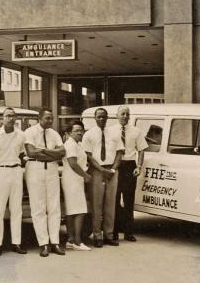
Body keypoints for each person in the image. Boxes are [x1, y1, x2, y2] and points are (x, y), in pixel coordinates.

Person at [24, 109, 66, 257]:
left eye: (51, 119)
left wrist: (43, 150)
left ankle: (55, 242)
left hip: (52, 170)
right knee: (38, 207)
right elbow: (31, 153)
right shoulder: (30, 132)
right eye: (47, 118)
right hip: (35, 169)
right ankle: (44, 243)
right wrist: (52, 153)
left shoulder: (54, 134)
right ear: (39, 118)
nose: (50, 121)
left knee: (54, 206)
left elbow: (62, 152)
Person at [82, 108, 124, 248]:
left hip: (112, 170)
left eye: (104, 117)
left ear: (108, 118)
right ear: (95, 118)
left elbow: (120, 152)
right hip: (97, 171)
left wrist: (112, 169)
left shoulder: (115, 133)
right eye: (99, 117)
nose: (102, 119)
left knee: (110, 204)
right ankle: (97, 235)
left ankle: (109, 235)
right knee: (97, 204)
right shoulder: (88, 134)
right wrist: (101, 169)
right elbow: (88, 154)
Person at [0, 108, 27, 256]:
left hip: (16, 171)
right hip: (0, 171)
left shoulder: (21, 135)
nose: (10, 118)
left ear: (16, 118)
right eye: (7, 116)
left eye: (12, 116)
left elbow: (22, 154)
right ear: (3, 118)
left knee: (16, 209)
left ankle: (16, 243)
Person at [110, 106, 148, 242]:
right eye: (122, 114)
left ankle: (128, 233)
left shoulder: (136, 131)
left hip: (130, 165)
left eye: (127, 114)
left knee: (129, 201)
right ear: (117, 115)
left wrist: (139, 166)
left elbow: (142, 149)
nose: (125, 116)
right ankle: (113, 233)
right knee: (114, 200)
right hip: (116, 165)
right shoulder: (110, 131)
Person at [62, 121, 92, 251]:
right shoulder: (70, 145)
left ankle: (71, 240)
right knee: (79, 210)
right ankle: (77, 242)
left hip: (75, 179)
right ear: (69, 133)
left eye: (81, 130)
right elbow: (73, 163)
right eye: (76, 130)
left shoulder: (77, 144)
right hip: (72, 179)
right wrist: (85, 175)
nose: (80, 132)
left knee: (72, 211)